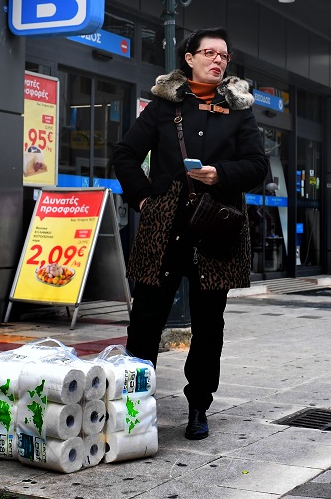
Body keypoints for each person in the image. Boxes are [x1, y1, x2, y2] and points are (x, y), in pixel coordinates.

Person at [113, 27, 269, 441]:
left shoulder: (239, 111)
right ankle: (133, 405)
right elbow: (125, 154)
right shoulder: (165, 108)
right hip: (164, 228)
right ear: (190, 59)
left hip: (214, 228)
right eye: (209, 53)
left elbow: (258, 167)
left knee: (208, 325)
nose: (218, 60)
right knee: (145, 322)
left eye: (224, 55)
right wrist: (144, 200)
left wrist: (222, 174)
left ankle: (199, 405)